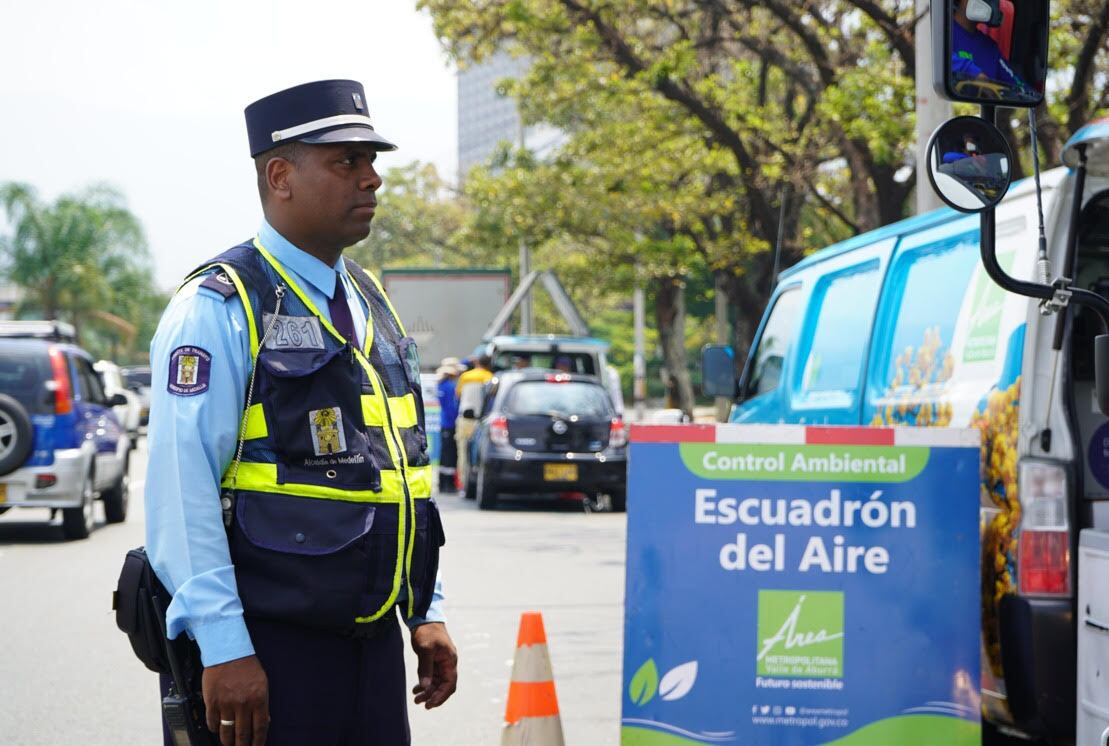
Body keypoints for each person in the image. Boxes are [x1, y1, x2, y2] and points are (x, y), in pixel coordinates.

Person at [145, 79, 457, 746]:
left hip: (371, 642)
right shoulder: (222, 306)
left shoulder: (371, 299)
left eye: (372, 161)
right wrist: (226, 647)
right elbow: (181, 489)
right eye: (347, 161)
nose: (371, 179)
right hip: (268, 647)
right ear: (280, 175)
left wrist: (424, 608)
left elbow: (403, 471)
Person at [950, 0, 1029, 93]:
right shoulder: (943, 32)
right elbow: (940, 59)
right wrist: (974, 73)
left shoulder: (990, 47)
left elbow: (1018, 84)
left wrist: (1036, 100)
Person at [455, 354, 493, 491]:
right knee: (477, 453)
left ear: (477, 362)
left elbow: (458, 394)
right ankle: (475, 482)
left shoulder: (465, 377)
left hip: (464, 419)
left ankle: (462, 484)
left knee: (462, 453)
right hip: (480, 421)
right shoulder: (489, 377)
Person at [436, 359, 461, 493]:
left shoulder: (441, 385)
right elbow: (452, 408)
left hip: (444, 423)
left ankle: (442, 483)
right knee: (450, 455)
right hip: (450, 424)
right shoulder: (450, 386)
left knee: (444, 454)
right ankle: (449, 484)